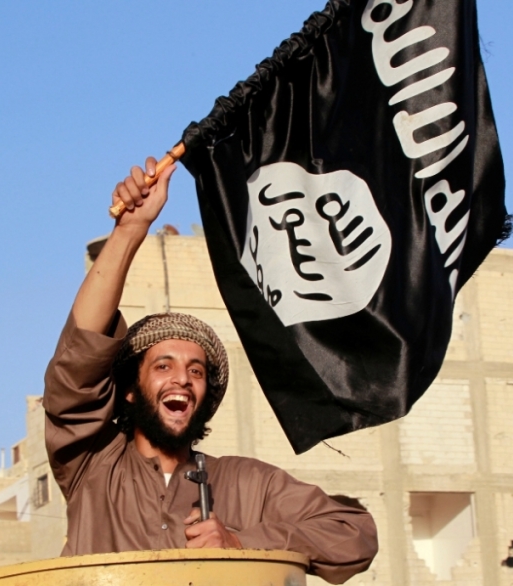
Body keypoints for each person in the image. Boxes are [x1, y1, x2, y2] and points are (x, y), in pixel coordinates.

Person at [43, 157, 378, 584]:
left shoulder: (245, 483)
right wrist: (129, 231)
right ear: (129, 389)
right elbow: (78, 360)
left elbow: (354, 534)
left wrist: (242, 542)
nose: (182, 379)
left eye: (196, 371)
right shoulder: (93, 466)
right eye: (163, 365)